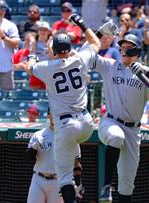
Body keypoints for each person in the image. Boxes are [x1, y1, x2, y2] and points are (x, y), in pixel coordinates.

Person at [24, 14, 100, 203]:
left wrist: (33, 54)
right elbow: (96, 42)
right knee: (73, 157)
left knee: (65, 178)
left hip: (65, 125)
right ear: (70, 48)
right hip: (86, 123)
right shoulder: (80, 59)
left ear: (54, 50)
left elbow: (30, 67)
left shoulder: (47, 67)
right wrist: (81, 24)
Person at [92, 33, 149, 202]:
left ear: (136, 50)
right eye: (122, 47)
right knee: (116, 137)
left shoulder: (144, 72)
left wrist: (148, 72)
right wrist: (97, 36)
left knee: (127, 186)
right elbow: (89, 56)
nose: (123, 51)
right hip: (110, 121)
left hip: (133, 129)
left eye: (128, 48)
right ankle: (106, 186)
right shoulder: (110, 65)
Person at [26, 109, 85, 203]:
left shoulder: (69, 136)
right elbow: (29, 158)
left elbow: (76, 163)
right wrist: (34, 147)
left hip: (58, 181)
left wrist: (78, 184)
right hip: (38, 179)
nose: (55, 116)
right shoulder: (39, 135)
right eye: (52, 114)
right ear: (48, 115)